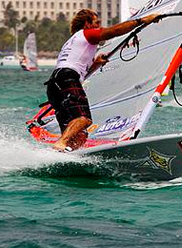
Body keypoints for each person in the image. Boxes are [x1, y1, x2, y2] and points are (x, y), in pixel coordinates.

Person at [47, 9, 160, 151]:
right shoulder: (87, 33)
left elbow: (79, 68)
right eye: (96, 23)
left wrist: (95, 64)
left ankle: (63, 153)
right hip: (67, 78)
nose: (99, 26)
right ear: (87, 24)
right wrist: (141, 21)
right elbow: (114, 31)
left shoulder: (73, 41)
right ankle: (60, 144)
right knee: (83, 119)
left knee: (80, 135)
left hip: (55, 83)